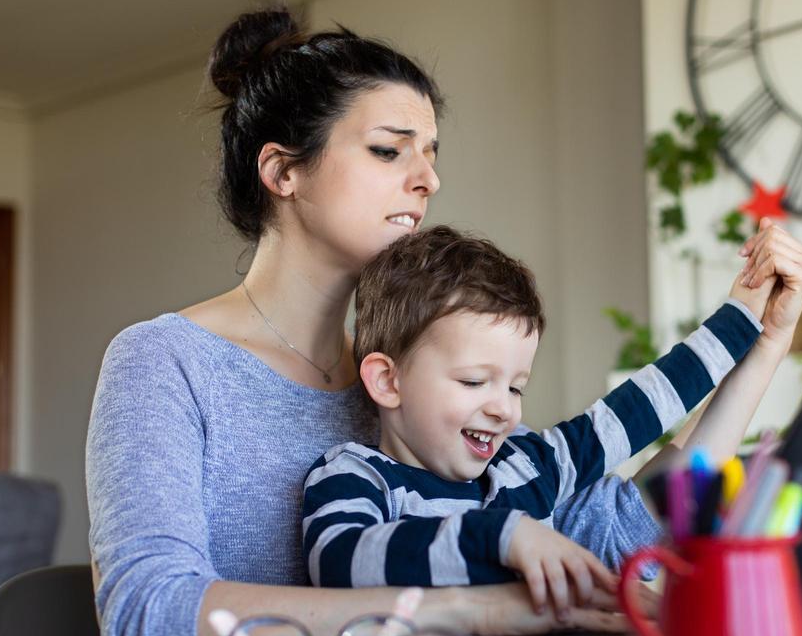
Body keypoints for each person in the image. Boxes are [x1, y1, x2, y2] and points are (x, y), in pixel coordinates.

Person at [84, 6, 802, 636]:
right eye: (389, 150)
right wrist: (468, 608)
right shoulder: (167, 360)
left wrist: (762, 346)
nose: (427, 178)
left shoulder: (429, 386)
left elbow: (629, 530)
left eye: (431, 152)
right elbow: (149, 621)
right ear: (282, 170)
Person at [302, 226, 763, 615]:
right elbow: (340, 563)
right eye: (474, 381)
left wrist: (743, 317)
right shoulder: (354, 475)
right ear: (388, 381)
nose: (504, 408)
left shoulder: (525, 463)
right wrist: (503, 536)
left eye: (515, 387)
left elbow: (640, 408)